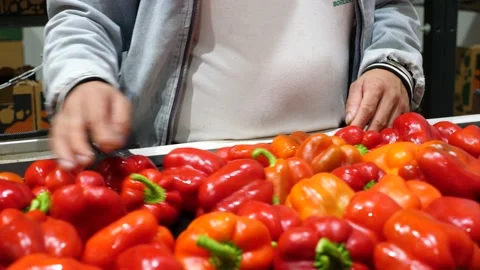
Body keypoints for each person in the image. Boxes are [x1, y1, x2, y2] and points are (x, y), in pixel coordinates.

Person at [43, 1, 424, 170]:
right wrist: (83, 77)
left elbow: (390, 5)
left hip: (331, 164)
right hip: (180, 172)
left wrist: (391, 64)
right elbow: (86, 14)